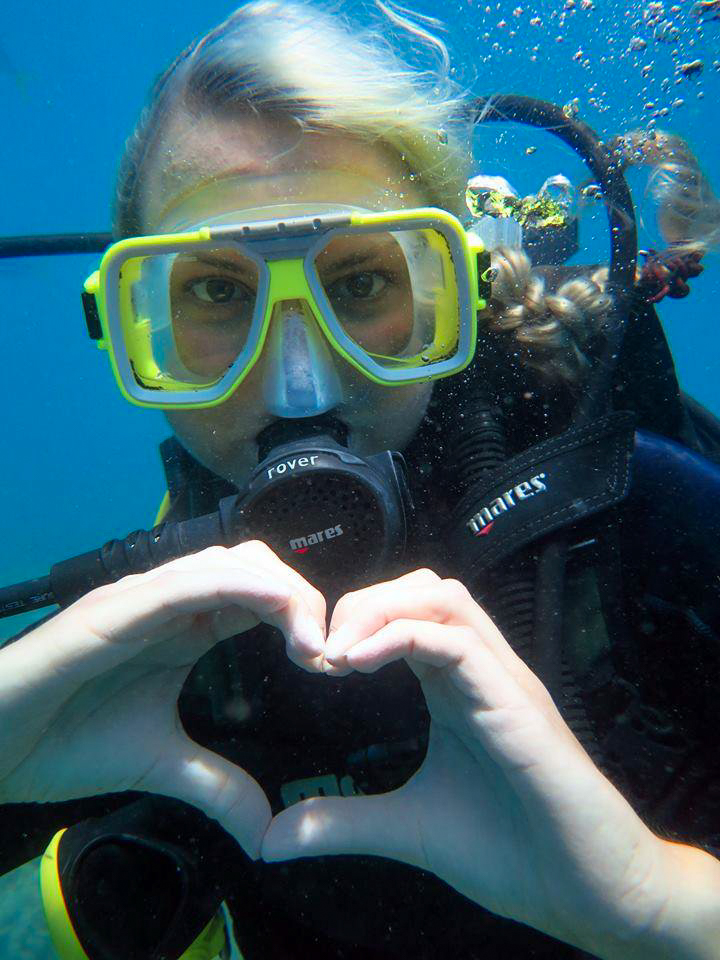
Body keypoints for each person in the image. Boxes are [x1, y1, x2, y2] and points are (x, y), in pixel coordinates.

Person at [1, 3, 720, 959]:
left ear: (451, 292)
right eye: (217, 291)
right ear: (132, 325)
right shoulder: (125, 648)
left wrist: (661, 909)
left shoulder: (646, 515)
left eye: (362, 283)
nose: (301, 380)